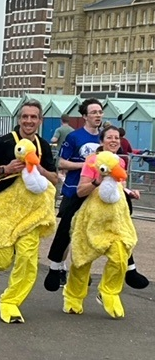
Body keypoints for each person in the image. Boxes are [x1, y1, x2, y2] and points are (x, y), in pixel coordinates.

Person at [0, 100, 58, 323]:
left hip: (31, 214)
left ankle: (11, 302)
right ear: (19, 119)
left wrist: (39, 167)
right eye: (25, 116)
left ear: (39, 120)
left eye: (33, 117)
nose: (29, 121)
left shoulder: (43, 146)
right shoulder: (6, 141)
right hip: (5, 212)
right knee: (2, 260)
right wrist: (5, 169)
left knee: (28, 259)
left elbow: (54, 178)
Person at [44, 98, 148, 291]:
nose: (98, 115)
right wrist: (90, 166)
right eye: (93, 112)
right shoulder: (75, 137)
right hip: (78, 188)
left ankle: (127, 269)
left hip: (103, 195)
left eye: (100, 112)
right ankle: (58, 267)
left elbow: (119, 173)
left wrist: (126, 191)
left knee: (119, 228)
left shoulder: (109, 139)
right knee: (67, 229)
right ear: (84, 116)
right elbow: (61, 163)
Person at [63, 126, 139, 318]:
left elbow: (118, 187)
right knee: (82, 260)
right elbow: (80, 191)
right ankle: (73, 297)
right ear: (102, 141)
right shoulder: (92, 161)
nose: (114, 140)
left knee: (121, 254)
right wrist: (97, 180)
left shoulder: (120, 161)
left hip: (115, 219)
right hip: (93, 218)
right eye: (109, 137)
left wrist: (131, 192)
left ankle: (108, 292)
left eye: (117, 138)